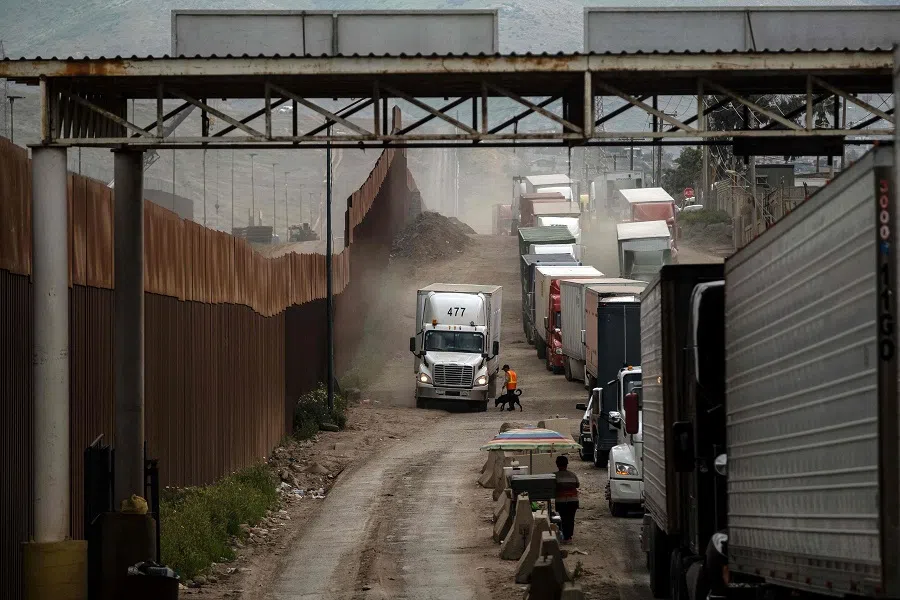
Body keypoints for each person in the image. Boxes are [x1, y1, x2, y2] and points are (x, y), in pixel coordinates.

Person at [554, 455, 580, 544]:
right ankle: (568, 537)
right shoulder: (573, 475)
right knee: (570, 519)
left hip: (561, 501)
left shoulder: (554, 476)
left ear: (557, 464)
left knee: (561, 518)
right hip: (573, 501)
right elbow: (577, 485)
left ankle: (564, 536)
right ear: (567, 465)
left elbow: (551, 487)